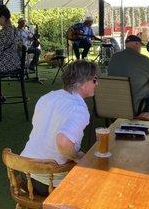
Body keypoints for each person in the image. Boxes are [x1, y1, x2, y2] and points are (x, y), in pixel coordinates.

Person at [20, 60, 98, 196]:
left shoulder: (47, 97)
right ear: (83, 82)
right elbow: (63, 141)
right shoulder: (79, 108)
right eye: (95, 80)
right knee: (97, 179)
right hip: (49, 180)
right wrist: (76, 157)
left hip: (24, 172)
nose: (97, 84)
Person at [108, 35, 149, 115]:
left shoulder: (114, 58)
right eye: (140, 46)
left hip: (115, 104)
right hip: (137, 106)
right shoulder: (145, 61)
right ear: (136, 44)